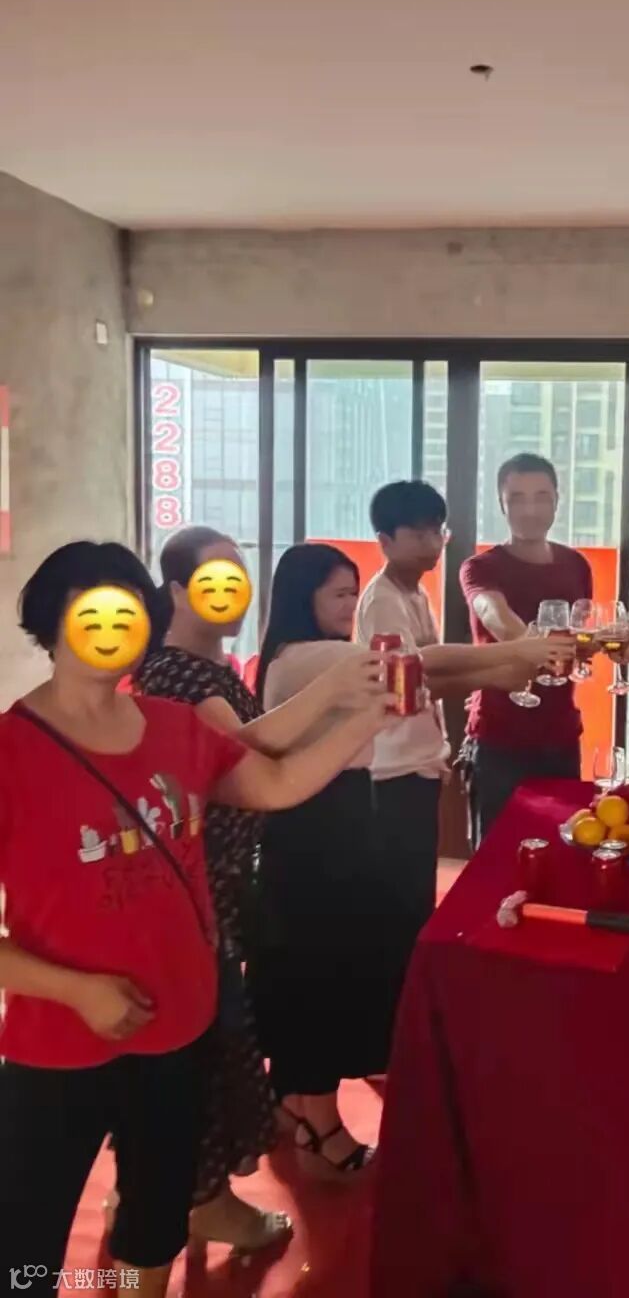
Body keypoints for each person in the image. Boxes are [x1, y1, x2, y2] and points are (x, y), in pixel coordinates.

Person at [0, 541, 393, 1297]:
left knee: (156, 1213)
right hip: (58, 1044)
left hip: (179, 1026)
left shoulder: (174, 728)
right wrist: (77, 990)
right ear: (50, 624)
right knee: (25, 1238)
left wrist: (370, 715)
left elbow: (274, 782)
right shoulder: (13, 752)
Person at [250, 538, 559, 1182]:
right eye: (339, 594)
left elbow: (421, 680)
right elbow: (417, 663)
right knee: (320, 974)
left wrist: (502, 669)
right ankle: (317, 1122)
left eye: (350, 592)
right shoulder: (309, 657)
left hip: (328, 821)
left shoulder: (315, 656)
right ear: (304, 598)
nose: (350, 606)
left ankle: (294, 1104)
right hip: (315, 830)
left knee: (315, 969)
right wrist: (516, 653)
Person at [138, 526, 382, 1251]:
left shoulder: (210, 668)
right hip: (186, 885)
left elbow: (259, 759)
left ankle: (190, 1194)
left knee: (217, 1043)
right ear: (177, 591)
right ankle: (194, 1200)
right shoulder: (173, 674)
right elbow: (240, 751)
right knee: (198, 1050)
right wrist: (344, 693)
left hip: (219, 881)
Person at [459, 453, 592, 847]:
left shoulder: (576, 564)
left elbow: (580, 632)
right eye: (516, 498)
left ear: (556, 501)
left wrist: (587, 648)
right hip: (499, 738)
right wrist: (533, 647)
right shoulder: (480, 567)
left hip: (561, 735)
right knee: (497, 857)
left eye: (540, 497)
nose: (529, 510)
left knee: (563, 852)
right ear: (502, 505)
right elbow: (492, 613)